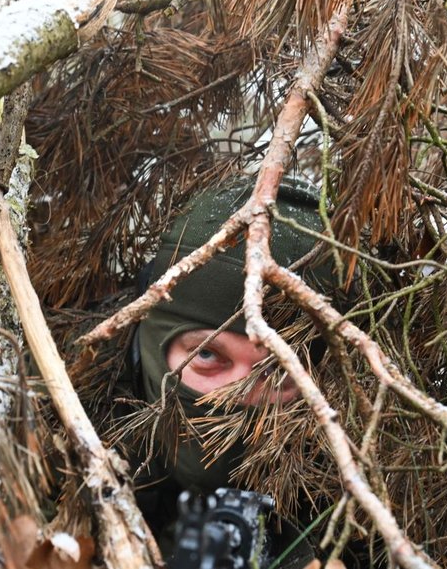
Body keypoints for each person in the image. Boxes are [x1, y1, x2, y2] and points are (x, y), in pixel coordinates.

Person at [127, 178, 333, 567]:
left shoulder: (380, 498)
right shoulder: (48, 446)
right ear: (150, 342)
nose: (238, 393)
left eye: (276, 369)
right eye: (206, 355)